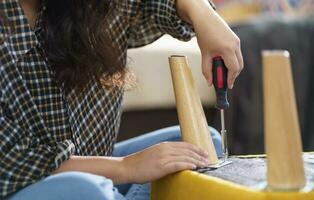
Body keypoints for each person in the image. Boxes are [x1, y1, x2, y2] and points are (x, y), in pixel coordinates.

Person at [0, 0, 243, 199]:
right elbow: (12, 164)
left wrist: (203, 14)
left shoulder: (90, 7)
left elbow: (153, 5)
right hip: (22, 185)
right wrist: (126, 167)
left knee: (200, 147)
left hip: (93, 170)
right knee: (87, 191)